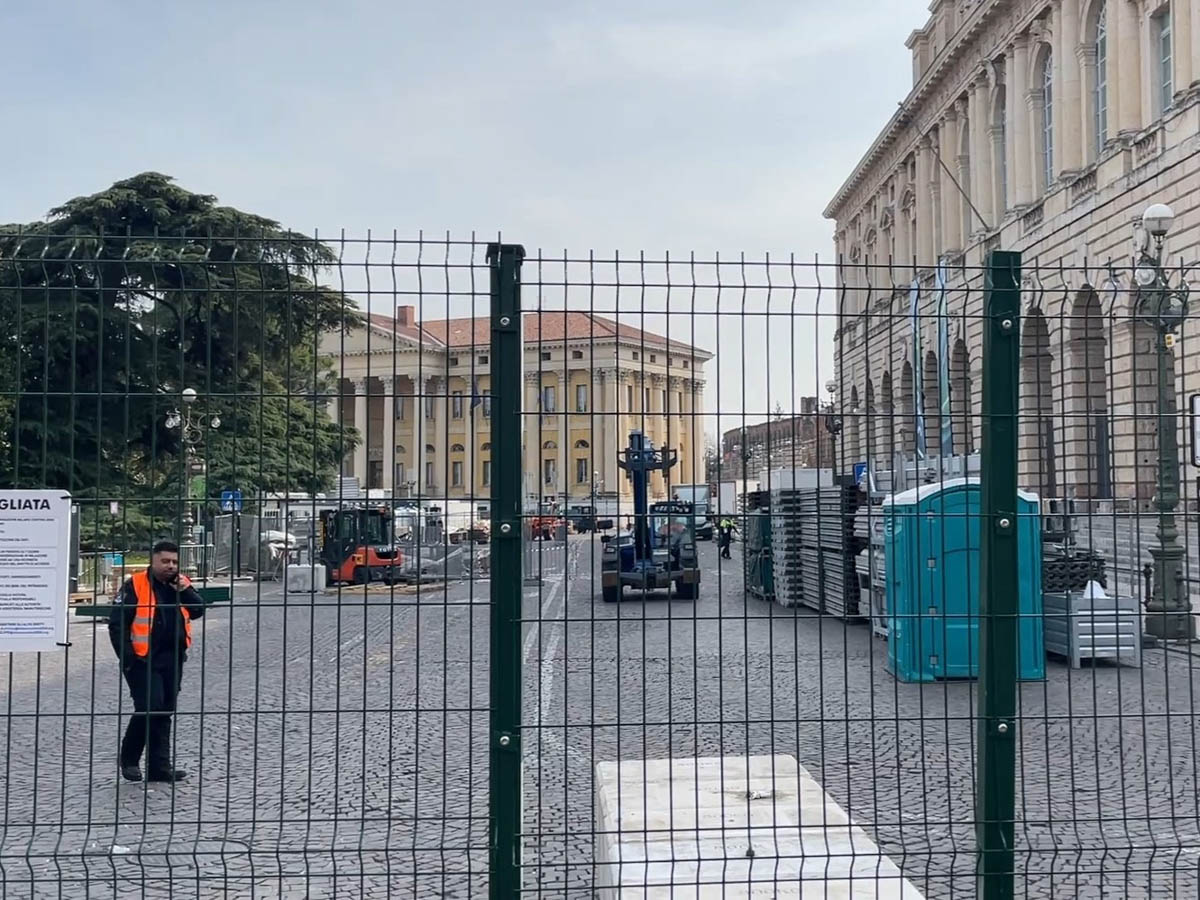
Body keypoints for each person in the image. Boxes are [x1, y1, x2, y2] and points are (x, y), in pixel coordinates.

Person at [107, 540, 206, 783]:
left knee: (164, 710)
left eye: (174, 562)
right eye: (165, 561)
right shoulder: (136, 584)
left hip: (172, 658)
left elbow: (197, 610)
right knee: (149, 707)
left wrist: (185, 589)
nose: (170, 566)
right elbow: (117, 624)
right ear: (153, 561)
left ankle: (159, 766)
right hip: (142, 659)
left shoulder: (179, 584)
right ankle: (129, 758)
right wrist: (128, 658)